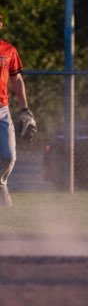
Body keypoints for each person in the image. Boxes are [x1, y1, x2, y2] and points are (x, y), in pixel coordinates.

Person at [0, 14, 36, 207]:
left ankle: (1, 183)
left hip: (2, 109)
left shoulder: (8, 50)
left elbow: (17, 80)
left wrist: (25, 109)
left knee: (9, 155)